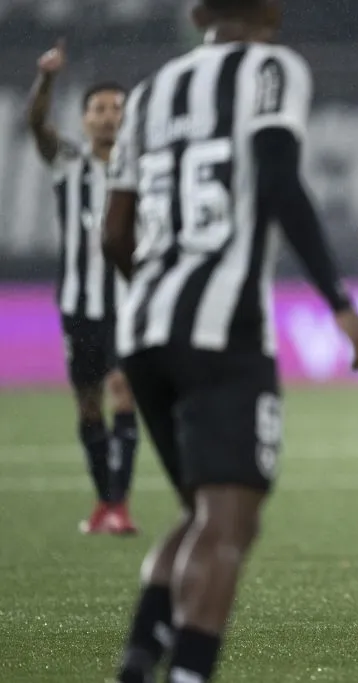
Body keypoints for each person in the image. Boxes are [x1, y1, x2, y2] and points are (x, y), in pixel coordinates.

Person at [102, 1, 358, 681]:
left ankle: (139, 660)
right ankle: (187, 672)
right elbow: (279, 178)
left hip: (143, 330)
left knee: (203, 514)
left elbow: (114, 232)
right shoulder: (273, 68)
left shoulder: (148, 93)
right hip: (223, 330)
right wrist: (340, 303)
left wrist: (159, 295)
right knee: (227, 524)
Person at [27, 38, 140, 535]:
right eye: (99, 108)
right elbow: (36, 125)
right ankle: (105, 503)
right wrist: (48, 78)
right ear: (84, 119)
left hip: (127, 303)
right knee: (89, 403)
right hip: (77, 304)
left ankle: (119, 505)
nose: (109, 116)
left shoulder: (143, 168)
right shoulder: (68, 164)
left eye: (118, 108)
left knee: (122, 390)